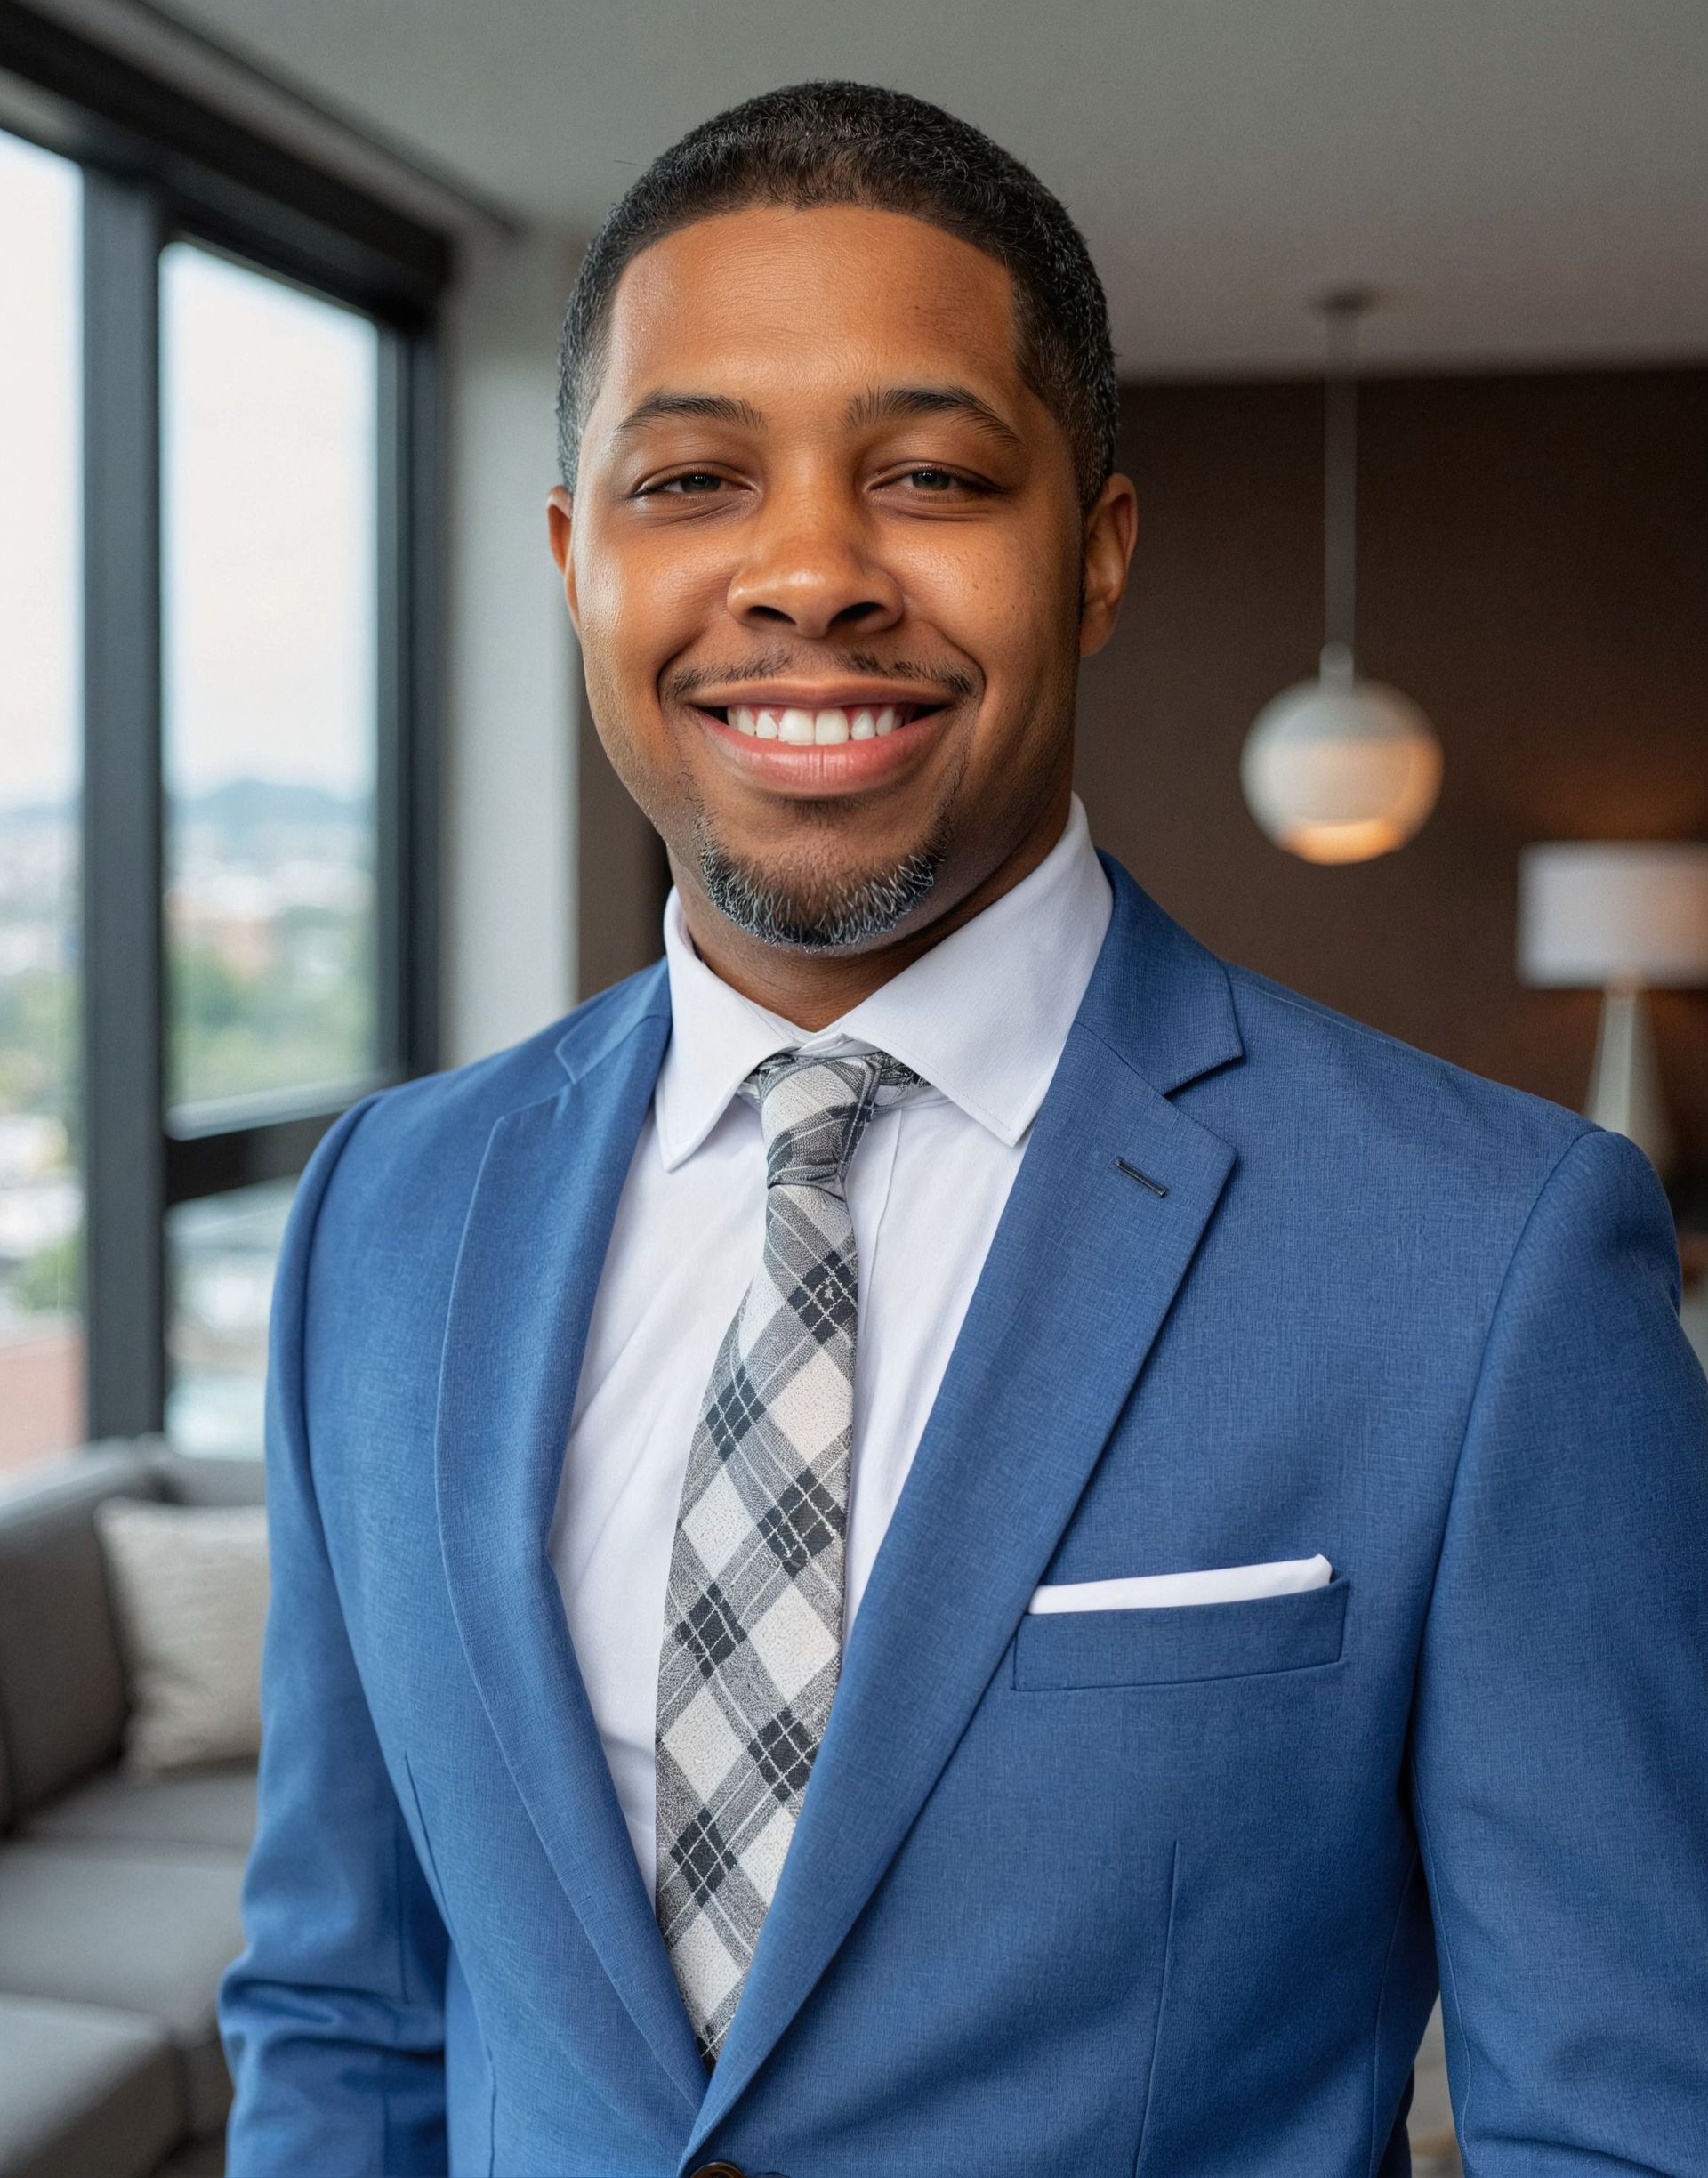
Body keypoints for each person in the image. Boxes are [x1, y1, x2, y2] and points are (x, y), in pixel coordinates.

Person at [219, 79, 1708, 2178]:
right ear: (576, 561)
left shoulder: (1491, 1256)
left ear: (1092, 553)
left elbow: (1624, 2125)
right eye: (691, 480)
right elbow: (348, 2017)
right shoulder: (383, 1214)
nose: (808, 572)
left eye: (925, 474)